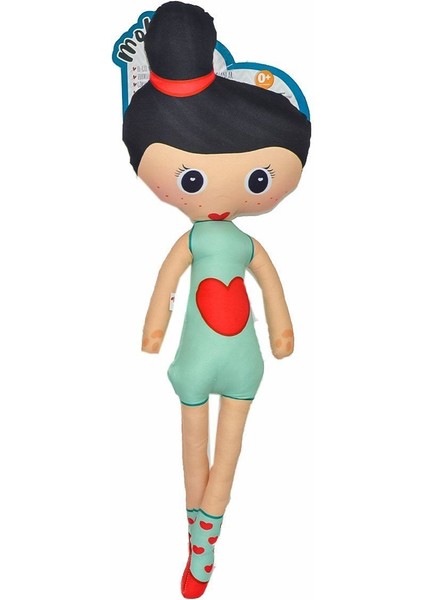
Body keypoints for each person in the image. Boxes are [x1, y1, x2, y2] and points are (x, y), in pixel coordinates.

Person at [122, 2, 311, 597]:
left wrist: (281, 331)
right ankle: (199, 542)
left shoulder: (237, 244)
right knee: (199, 449)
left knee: (219, 454)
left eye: (257, 178)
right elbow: (167, 283)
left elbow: (270, 285)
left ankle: (204, 538)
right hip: (204, 360)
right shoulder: (201, 241)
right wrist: (154, 328)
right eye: (192, 179)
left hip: (237, 361)